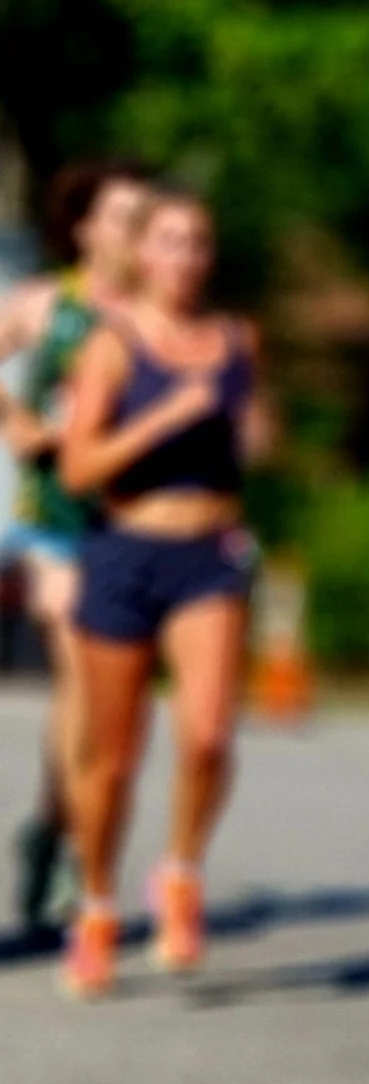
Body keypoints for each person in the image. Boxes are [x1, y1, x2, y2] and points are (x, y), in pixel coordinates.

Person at [57, 185, 269, 998]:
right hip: (124, 550)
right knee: (111, 759)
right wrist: (167, 416)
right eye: (171, 241)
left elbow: (255, 434)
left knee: (210, 732)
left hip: (208, 553)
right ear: (142, 254)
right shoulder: (111, 345)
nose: (185, 257)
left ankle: (179, 873)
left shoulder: (235, 338)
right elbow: (79, 468)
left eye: (198, 242)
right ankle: (98, 904)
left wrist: (254, 432)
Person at [0, 159, 154, 935]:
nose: (136, 233)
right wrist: (19, 424)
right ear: (87, 227)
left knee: (105, 700)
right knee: (79, 672)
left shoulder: (157, 313)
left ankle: (54, 826)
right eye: (123, 217)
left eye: (145, 218)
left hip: (130, 521)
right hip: (51, 518)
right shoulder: (44, 303)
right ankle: (67, 854)